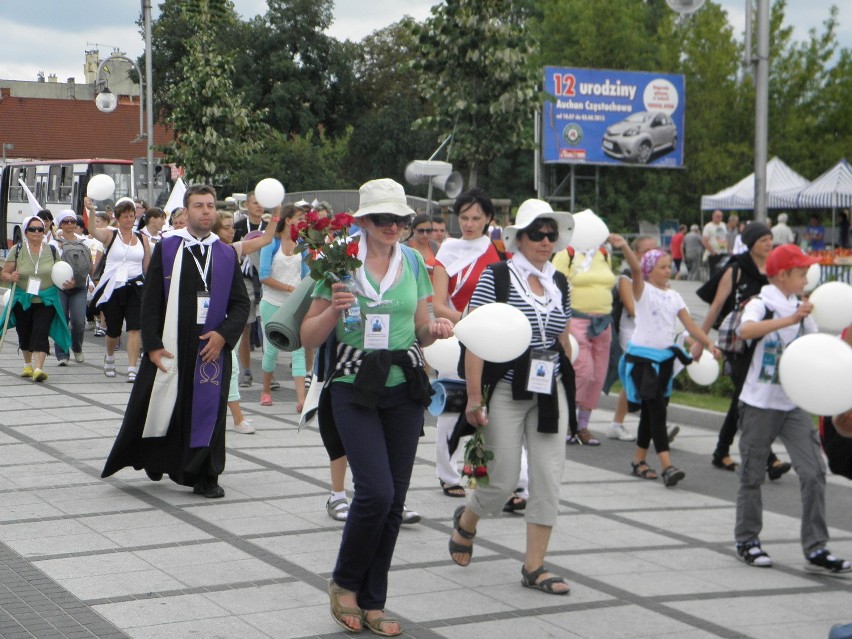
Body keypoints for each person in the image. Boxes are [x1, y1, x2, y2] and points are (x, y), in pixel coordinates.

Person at [301, 178, 452, 636]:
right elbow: (308, 337)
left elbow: (421, 325)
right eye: (382, 219)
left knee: (394, 502)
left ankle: (373, 600)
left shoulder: (413, 262)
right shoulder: (338, 261)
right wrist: (332, 310)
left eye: (400, 219)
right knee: (375, 493)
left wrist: (438, 327)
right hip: (351, 384)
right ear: (363, 221)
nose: (393, 226)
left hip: (403, 387)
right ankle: (344, 583)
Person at [447, 202, 574, 597]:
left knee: (548, 479)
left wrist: (575, 384)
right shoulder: (497, 276)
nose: (546, 240)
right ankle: (468, 519)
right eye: (537, 233)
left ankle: (534, 566)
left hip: (549, 389)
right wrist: (472, 397)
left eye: (552, 234)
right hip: (505, 386)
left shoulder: (559, 283)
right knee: (501, 483)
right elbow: (476, 337)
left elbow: (560, 335)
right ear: (519, 238)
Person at [101, 185, 251, 498]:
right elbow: (151, 300)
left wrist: (224, 335)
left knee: (207, 410)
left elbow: (240, 304)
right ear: (185, 211)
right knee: (162, 404)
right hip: (171, 343)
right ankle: (157, 457)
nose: (206, 211)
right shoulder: (168, 248)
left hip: (210, 347)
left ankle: (206, 474)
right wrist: (152, 345)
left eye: (210, 206)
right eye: (199, 206)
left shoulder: (225, 253)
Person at [733, 244, 850, 574]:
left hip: (794, 405)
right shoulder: (762, 302)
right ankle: (747, 539)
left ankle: (816, 547)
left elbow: (817, 349)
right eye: (801, 273)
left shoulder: (801, 309)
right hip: (759, 404)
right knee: (752, 475)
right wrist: (790, 318)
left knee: (813, 472)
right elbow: (746, 330)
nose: (806, 279)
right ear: (783, 275)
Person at [612, 236, 720, 487]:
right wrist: (626, 247)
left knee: (651, 415)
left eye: (669, 265)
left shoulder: (674, 296)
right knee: (658, 412)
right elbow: (635, 269)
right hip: (642, 360)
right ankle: (667, 466)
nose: (668, 270)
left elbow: (691, 325)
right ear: (650, 270)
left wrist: (709, 343)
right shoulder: (643, 289)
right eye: (662, 266)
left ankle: (639, 461)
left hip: (663, 362)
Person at [697, 222, 789, 479]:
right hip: (738, 344)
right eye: (763, 240)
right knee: (743, 396)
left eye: (770, 239)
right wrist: (700, 340)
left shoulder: (773, 270)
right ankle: (769, 460)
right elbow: (715, 307)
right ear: (751, 243)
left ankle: (720, 451)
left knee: (740, 400)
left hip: (766, 344)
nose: (769, 244)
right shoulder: (736, 270)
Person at [432, 188, 505, 500]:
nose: (470, 223)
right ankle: (447, 474)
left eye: (477, 217)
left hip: (497, 339)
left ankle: (483, 470)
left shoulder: (500, 251)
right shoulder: (447, 251)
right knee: (454, 405)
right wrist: (469, 320)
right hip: (458, 337)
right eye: (464, 217)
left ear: (489, 218)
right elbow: (438, 305)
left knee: (493, 405)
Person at [553, 208, 615, 445]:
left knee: (597, 375)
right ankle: (568, 422)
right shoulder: (567, 253)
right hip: (576, 320)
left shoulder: (603, 253)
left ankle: (584, 425)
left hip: (603, 322)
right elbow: (555, 285)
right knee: (583, 371)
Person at [212, 209, 278, 434]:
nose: (231, 231)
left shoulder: (233, 250)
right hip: (203, 318)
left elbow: (266, 239)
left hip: (226, 318)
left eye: (232, 227)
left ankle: (237, 417)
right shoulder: (200, 251)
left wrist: (276, 214)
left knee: (230, 366)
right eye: (226, 227)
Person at [1, 215, 73, 382]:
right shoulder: (17, 250)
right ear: (26, 232)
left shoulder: (52, 250)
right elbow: (4, 273)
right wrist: (10, 276)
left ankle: (39, 368)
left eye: (40, 229)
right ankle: (28, 364)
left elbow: (61, 272)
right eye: (32, 229)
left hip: (46, 299)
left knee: (41, 331)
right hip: (23, 299)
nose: (37, 232)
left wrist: (68, 283)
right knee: (24, 332)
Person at [89, 199, 151, 381]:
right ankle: (109, 356)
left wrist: (151, 285)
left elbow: (146, 266)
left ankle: (132, 367)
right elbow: (92, 230)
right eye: (125, 217)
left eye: (131, 216)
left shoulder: (142, 238)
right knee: (114, 329)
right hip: (114, 286)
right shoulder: (111, 235)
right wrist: (92, 211)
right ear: (117, 218)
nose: (129, 220)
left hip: (135, 286)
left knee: (134, 327)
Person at [608, 235, 658, 441]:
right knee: (635, 376)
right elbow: (631, 307)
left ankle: (651, 423)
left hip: (652, 334)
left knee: (649, 379)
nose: (651, 254)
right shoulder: (627, 276)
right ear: (635, 254)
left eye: (654, 250)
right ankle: (618, 424)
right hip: (631, 333)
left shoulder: (657, 276)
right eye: (646, 251)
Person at [257, 204, 307, 408]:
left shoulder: (303, 243)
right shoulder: (272, 244)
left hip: (294, 305)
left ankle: (301, 399)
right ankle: (266, 390)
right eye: (299, 218)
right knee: (271, 350)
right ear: (288, 220)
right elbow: (263, 276)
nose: (303, 222)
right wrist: (288, 288)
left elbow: (305, 275)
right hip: (272, 302)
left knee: (298, 350)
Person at [233, 191, 268, 388]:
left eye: (262, 203)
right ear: (247, 204)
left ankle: (267, 373)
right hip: (245, 280)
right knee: (245, 327)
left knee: (267, 330)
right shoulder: (238, 228)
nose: (259, 206)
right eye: (255, 203)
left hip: (264, 280)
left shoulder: (270, 227)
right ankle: (245, 371)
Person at [52, 210, 92, 366]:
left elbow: (89, 264)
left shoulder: (84, 242)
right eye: (66, 221)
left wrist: (89, 281)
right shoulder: (54, 243)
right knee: (61, 319)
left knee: (78, 321)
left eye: (72, 221)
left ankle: (77, 347)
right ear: (60, 223)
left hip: (80, 287)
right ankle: (62, 353)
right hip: (60, 287)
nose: (69, 224)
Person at [703, 209, 729, 277]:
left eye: (721, 216)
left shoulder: (723, 225)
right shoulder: (708, 226)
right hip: (714, 253)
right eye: (717, 216)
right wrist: (712, 252)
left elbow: (725, 237)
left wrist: (728, 249)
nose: (719, 218)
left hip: (723, 251)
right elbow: (705, 240)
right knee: (714, 273)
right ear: (713, 216)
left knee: (723, 272)